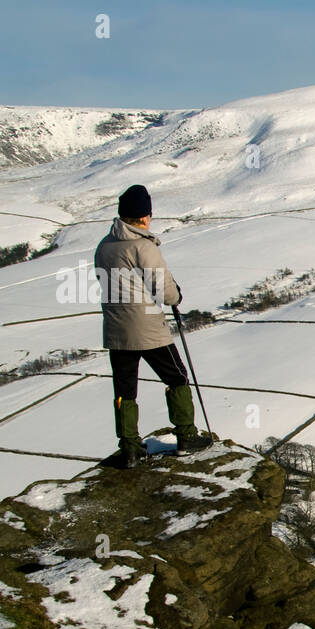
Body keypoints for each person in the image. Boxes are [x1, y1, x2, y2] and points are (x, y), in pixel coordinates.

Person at [94, 185, 212, 467]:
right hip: (147, 328)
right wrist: (176, 295)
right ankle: (186, 437)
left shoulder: (104, 246)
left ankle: (131, 448)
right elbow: (164, 290)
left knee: (124, 388)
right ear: (145, 217)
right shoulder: (143, 246)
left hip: (116, 328)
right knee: (177, 377)